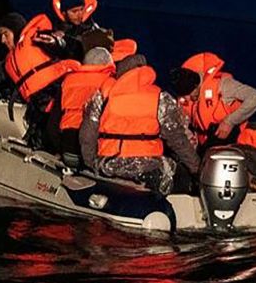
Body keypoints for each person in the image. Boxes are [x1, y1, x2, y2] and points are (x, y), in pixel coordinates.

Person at [4, 0, 112, 148]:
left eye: (81, 9)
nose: (80, 15)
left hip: (85, 85)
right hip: (62, 86)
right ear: (64, 13)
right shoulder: (53, 31)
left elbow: (82, 49)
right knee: (46, 119)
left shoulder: (93, 31)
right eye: (74, 11)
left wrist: (62, 43)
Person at [79, 57, 200, 196]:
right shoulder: (160, 98)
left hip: (108, 164)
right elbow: (178, 140)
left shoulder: (103, 95)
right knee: (184, 180)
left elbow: (87, 134)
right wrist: (196, 169)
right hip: (150, 167)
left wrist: (91, 164)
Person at [168, 52, 256, 190]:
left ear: (196, 85)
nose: (188, 99)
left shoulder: (223, 86)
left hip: (234, 140)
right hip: (207, 147)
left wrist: (229, 121)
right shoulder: (185, 100)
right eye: (184, 96)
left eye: (190, 93)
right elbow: (184, 129)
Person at [49, 47, 117, 166]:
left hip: (67, 146)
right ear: (108, 63)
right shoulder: (109, 83)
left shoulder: (68, 81)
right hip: (90, 150)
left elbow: (53, 122)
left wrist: (58, 148)